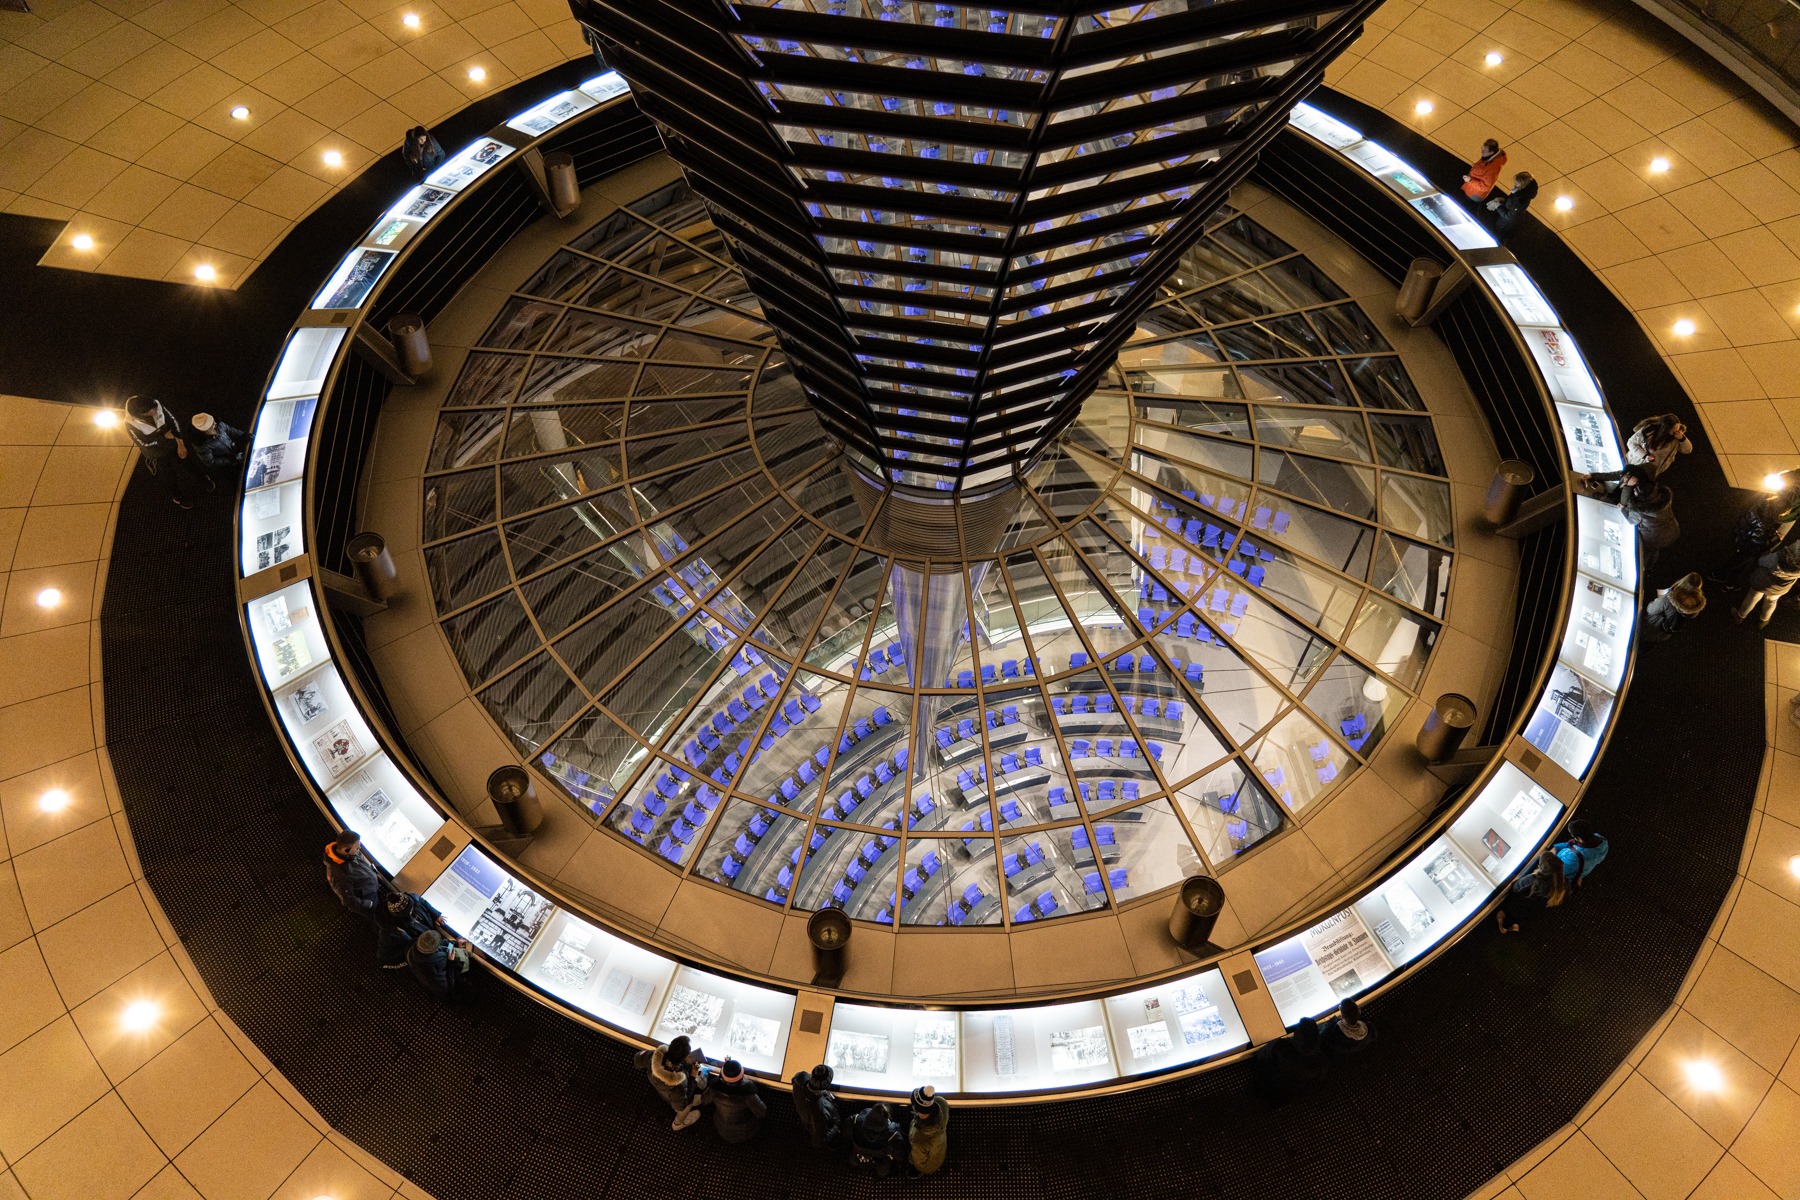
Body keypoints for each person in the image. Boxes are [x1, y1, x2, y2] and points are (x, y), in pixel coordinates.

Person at [123, 395, 204, 507]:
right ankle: (177, 497)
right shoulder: (130, 424)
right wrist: (164, 437)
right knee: (169, 475)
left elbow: (173, 422)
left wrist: (181, 443)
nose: (156, 410)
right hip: (157, 453)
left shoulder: (155, 404)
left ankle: (202, 478)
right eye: (153, 410)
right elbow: (143, 442)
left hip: (172, 443)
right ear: (143, 414)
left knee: (187, 461)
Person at [1710, 494, 1785, 589]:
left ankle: (1727, 581)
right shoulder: (1765, 524)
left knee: (1737, 562)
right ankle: (1720, 576)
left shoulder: (1760, 507)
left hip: (1742, 537)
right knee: (1737, 563)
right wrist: (1776, 539)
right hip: (1747, 547)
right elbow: (1757, 544)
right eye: (1784, 513)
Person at [1251, 1017, 1328, 1107]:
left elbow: (1262, 1055)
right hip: (1290, 1089)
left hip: (1272, 1081)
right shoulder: (1321, 1061)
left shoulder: (1282, 1048)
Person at [635, 1036, 706, 1130]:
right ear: (685, 1058)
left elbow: (637, 1060)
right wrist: (693, 1075)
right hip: (671, 1097)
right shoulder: (677, 1087)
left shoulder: (653, 1056)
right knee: (686, 1106)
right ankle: (677, 1124)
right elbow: (681, 1105)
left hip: (660, 1088)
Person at [1494, 847, 1569, 933]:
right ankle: (1515, 925)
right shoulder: (1562, 883)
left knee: (1512, 915)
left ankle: (1504, 927)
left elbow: (1516, 887)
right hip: (1534, 909)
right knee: (1521, 916)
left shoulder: (1533, 879)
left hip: (1519, 905)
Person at [1619, 474, 1679, 574]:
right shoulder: (1662, 497)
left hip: (1653, 537)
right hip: (1671, 530)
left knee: (1646, 552)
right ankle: (1650, 569)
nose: (1634, 491)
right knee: (1655, 550)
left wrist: (1623, 510)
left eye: (1635, 491)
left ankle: (1643, 570)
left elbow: (1632, 520)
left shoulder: (1640, 509)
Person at [1733, 540, 1800, 628]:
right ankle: (1763, 621)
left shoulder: (1778, 558)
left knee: (1752, 598)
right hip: (1781, 588)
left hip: (1763, 583)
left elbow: (1761, 561)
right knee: (1771, 602)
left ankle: (1740, 616)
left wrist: (1767, 552)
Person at [323, 833, 382, 926]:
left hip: (372, 889)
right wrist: (367, 904)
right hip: (368, 899)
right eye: (357, 847)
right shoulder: (338, 874)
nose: (359, 849)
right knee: (381, 920)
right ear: (346, 849)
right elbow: (348, 900)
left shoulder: (349, 854)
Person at [705, 1059, 766, 1142]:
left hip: (721, 1127)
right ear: (742, 1074)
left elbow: (704, 1100)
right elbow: (762, 1112)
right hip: (744, 1131)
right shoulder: (748, 1095)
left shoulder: (713, 1088)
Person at [375, 890, 438, 968]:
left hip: (429, 936)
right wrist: (411, 957)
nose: (413, 910)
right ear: (401, 916)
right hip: (419, 947)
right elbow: (382, 958)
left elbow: (421, 901)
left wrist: (435, 914)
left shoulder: (411, 899)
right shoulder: (389, 933)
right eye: (410, 911)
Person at [406, 928, 471, 1001]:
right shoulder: (434, 965)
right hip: (445, 988)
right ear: (435, 949)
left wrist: (455, 943)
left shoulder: (414, 946)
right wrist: (451, 961)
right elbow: (445, 986)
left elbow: (442, 944)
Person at [848, 1101, 907, 1177]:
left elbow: (845, 1133)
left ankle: (852, 1166)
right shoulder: (892, 1135)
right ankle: (881, 1176)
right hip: (879, 1160)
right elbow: (900, 1156)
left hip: (859, 1154)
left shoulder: (856, 1120)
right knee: (883, 1171)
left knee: (853, 1161)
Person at [1641, 572, 1705, 643]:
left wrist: (1657, 600)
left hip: (1653, 626)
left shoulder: (1668, 599)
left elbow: (1650, 609)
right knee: (1649, 643)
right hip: (1666, 631)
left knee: (1642, 638)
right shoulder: (1695, 604)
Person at [790, 1064, 842, 1149]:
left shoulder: (800, 1077)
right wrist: (836, 1126)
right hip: (816, 1123)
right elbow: (819, 1138)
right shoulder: (820, 1112)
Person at [905, 1085, 950, 1178]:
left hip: (928, 1166)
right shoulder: (941, 1103)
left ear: (915, 1108)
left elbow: (918, 1160)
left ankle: (917, 1172)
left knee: (911, 1158)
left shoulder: (918, 1138)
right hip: (940, 1149)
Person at [187, 413, 246, 481]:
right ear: (205, 430)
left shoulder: (218, 425)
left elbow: (230, 430)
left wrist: (244, 435)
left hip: (235, 453)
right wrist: (231, 459)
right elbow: (211, 462)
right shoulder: (202, 445)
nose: (215, 423)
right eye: (212, 424)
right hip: (228, 466)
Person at [1485, 170, 1537, 241]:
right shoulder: (1519, 191)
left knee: (1497, 237)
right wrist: (1502, 199)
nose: (1514, 183)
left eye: (1517, 183)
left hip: (1505, 225)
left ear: (1523, 184)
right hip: (1503, 221)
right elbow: (1511, 200)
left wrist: (1498, 206)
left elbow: (1510, 217)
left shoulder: (1521, 200)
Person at [1555, 819, 1609, 886]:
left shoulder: (1573, 857)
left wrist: (1551, 851)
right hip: (1583, 870)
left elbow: (1555, 869)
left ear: (1579, 838)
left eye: (1573, 836)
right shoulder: (1602, 840)